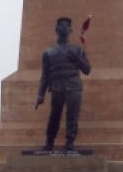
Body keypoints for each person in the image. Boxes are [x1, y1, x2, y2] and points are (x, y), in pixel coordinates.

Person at [36, 16, 92, 151]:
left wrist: (78, 59)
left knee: (72, 115)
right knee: (54, 115)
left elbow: (87, 70)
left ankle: (70, 141)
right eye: (61, 25)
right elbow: (45, 75)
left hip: (73, 85)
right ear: (56, 29)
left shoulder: (78, 49)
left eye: (67, 25)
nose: (64, 27)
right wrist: (40, 94)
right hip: (56, 86)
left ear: (71, 30)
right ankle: (49, 141)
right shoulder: (48, 52)